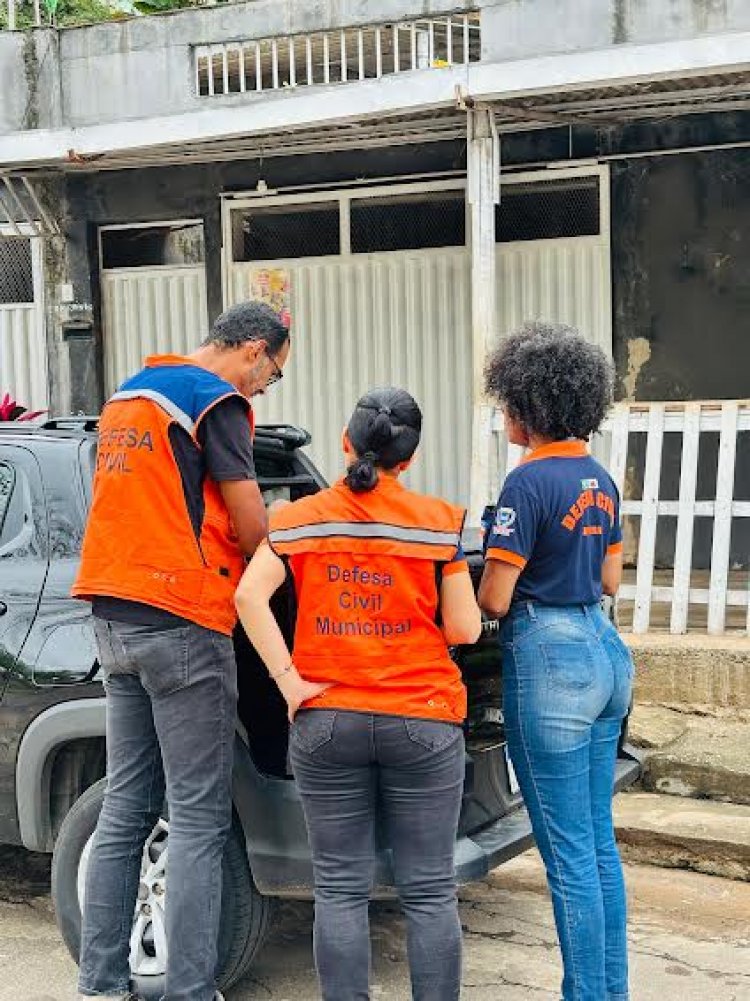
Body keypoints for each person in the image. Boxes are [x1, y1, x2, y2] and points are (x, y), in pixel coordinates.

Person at [71, 301, 290, 1001]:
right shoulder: (214, 400)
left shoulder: (129, 396)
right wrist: (286, 536)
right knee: (197, 813)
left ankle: (101, 985)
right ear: (253, 351)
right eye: (272, 374)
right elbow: (251, 523)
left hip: (111, 614)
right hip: (182, 618)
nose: (262, 389)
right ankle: (191, 991)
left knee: (125, 804)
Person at [236, 387, 481, 1001]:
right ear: (411, 458)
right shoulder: (440, 522)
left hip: (326, 718)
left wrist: (288, 681)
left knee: (339, 889)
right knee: (428, 891)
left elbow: (247, 598)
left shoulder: (297, 519)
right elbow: (465, 630)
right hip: (421, 721)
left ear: (346, 444)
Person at [477, 322, 633, 1001]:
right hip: (604, 651)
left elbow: (495, 594)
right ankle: (610, 990)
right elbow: (611, 581)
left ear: (532, 406)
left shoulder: (527, 482)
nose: (504, 414)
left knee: (567, 857)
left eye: (509, 401)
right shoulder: (600, 479)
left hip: (551, 657)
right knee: (597, 845)